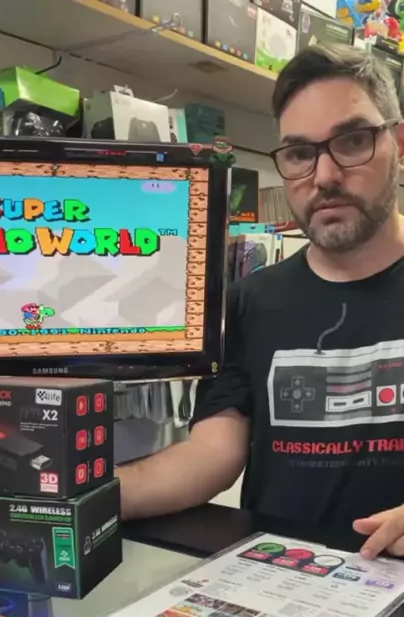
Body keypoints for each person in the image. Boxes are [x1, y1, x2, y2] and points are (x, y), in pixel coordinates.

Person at [119, 43, 404, 560]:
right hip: (277, 580)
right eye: (299, 153)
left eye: (352, 141)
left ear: (399, 144)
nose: (324, 176)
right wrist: (73, 496)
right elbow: (211, 455)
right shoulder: (250, 301)